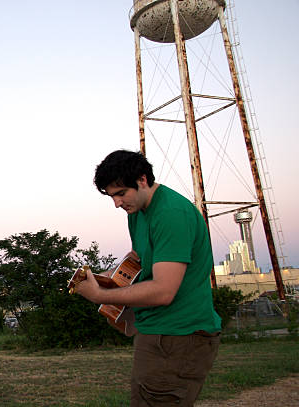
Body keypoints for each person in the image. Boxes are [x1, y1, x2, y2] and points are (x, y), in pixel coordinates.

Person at [75, 149, 221, 407]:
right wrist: (106, 277)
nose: (117, 203)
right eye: (112, 196)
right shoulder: (138, 213)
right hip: (155, 331)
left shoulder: (171, 213)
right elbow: (140, 262)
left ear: (142, 180)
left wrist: (101, 295)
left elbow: (163, 291)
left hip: (179, 335)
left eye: (121, 193)